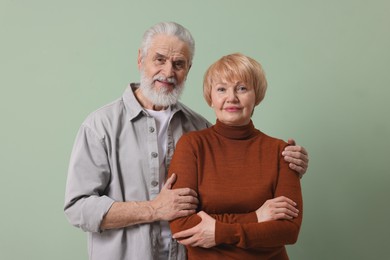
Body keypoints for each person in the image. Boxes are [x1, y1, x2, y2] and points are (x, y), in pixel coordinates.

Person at [64, 22, 308, 260]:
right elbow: (78, 208)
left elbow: (241, 171)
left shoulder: (199, 126)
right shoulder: (100, 126)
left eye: (178, 64)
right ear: (141, 59)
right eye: (159, 59)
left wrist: (291, 165)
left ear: (188, 69)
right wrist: (154, 209)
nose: (168, 72)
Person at [168, 53, 303, 259]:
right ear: (210, 97)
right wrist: (257, 217)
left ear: (256, 95)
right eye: (221, 89)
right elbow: (182, 225)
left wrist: (220, 232)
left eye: (242, 88)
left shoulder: (282, 151)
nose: (231, 97)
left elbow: (288, 231)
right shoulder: (192, 145)